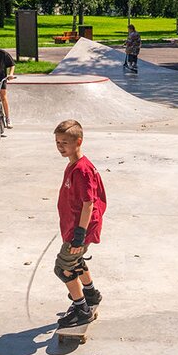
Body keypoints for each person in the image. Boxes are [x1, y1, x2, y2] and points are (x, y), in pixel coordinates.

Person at [53, 119, 107, 327]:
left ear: (78, 141)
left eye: (65, 142)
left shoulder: (82, 170)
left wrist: (79, 235)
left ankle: (81, 308)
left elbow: (89, 203)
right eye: (58, 142)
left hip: (80, 229)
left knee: (63, 268)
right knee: (75, 262)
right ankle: (91, 294)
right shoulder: (75, 165)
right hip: (76, 226)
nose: (60, 146)